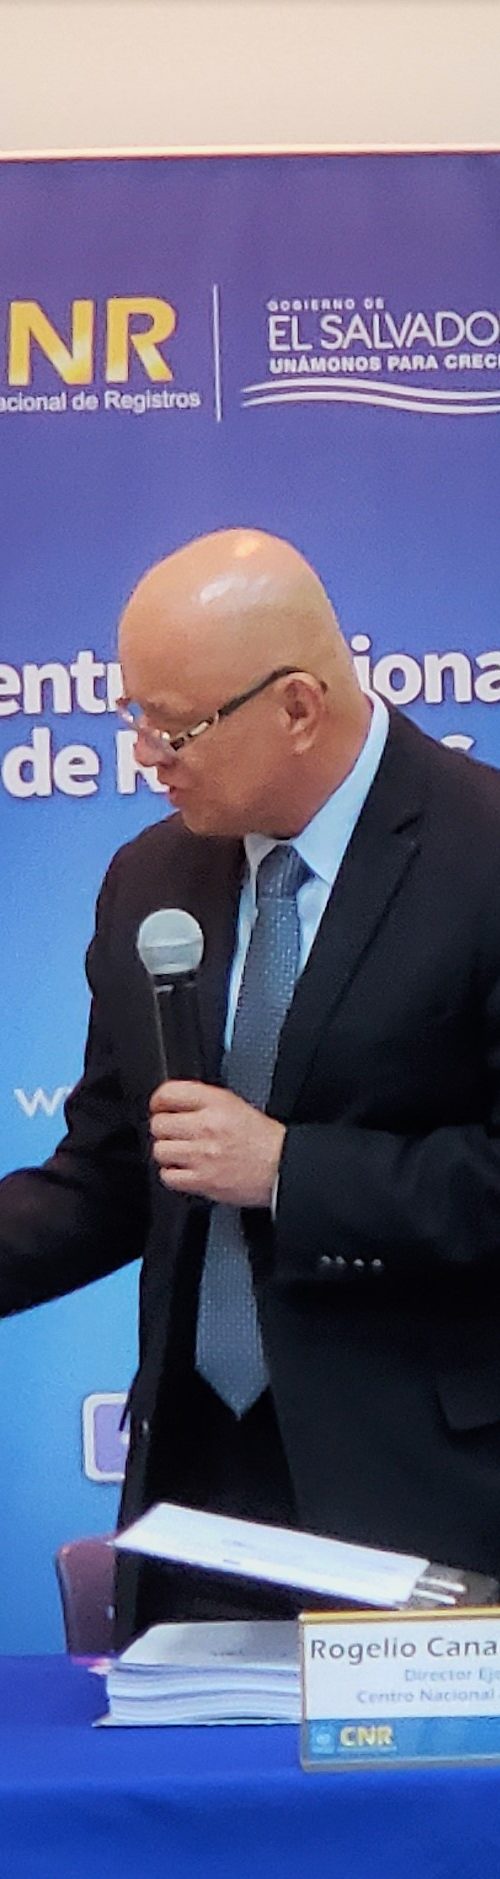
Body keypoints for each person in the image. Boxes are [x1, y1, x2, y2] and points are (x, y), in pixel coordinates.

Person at [2, 524, 500, 1647]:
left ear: (297, 707)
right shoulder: (149, 877)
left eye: (174, 725)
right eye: (133, 717)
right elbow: (113, 1174)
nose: (147, 754)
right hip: (199, 1499)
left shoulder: (482, 855)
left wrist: (288, 1170)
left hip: (427, 1499)